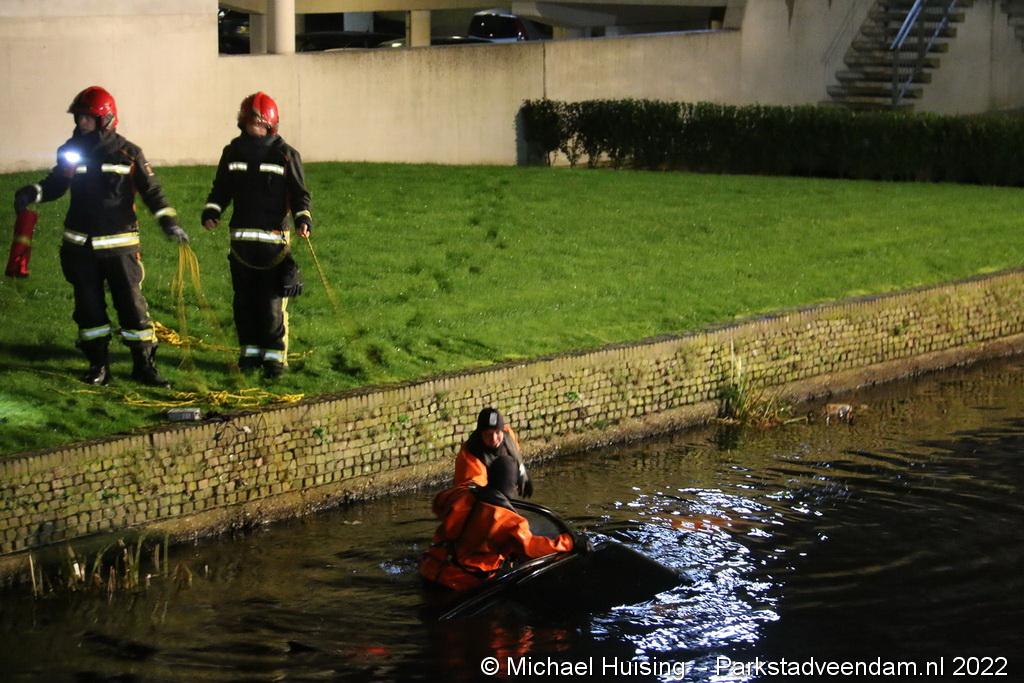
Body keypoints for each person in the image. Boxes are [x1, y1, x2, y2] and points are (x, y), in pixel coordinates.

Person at [13, 86, 188, 387]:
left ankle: (143, 365)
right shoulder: (72, 150)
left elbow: (152, 191)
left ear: (105, 119)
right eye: (79, 117)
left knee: (132, 307)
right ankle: (98, 365)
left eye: (88, 118)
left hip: (120, 245)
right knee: (88, 309)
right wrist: (33, 192)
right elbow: (56, 183)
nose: (82, 123)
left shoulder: (129, 152)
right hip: (80, 246)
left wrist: (169, 222)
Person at [200, 91, 312, 379]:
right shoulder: (232, 152)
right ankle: (249, 353)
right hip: (241, 243)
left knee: (271, 303)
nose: (254, 127)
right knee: (244, 301)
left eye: (259, 123)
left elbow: (299, 194)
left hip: (274, 243)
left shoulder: (285, 154)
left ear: (270, 124)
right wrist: (212, 211)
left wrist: (303, 219)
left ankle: (275, 359)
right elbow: (221, 189)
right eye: (250, 122)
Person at [419, 456, 576, 591]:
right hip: (461, 584)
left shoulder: (460, 493)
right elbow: (531, 549)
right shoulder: (510, 521)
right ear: (513, 485)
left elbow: (438, 503)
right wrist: (569, 542)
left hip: (429, 569)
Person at [454, 407, 534, 497]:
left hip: (505, 491)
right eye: (488, 434)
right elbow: (473, 490)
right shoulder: (470, 456)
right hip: (478, 497)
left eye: (498, 432)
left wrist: (523, 473)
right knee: (506, 465)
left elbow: (517, 456)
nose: (494, 439)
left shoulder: (508, 435)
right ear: (480, 434)